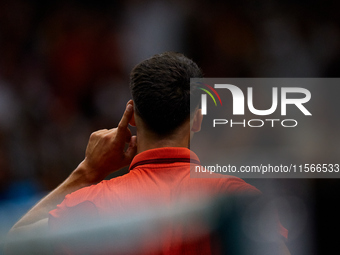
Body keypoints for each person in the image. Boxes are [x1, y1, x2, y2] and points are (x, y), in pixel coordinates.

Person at [5, 52, 290, 255]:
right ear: (199, 118)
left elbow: (15, 241)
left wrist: (86, 172)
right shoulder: (239, 201)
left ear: (131, 115)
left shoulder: (88, 205)